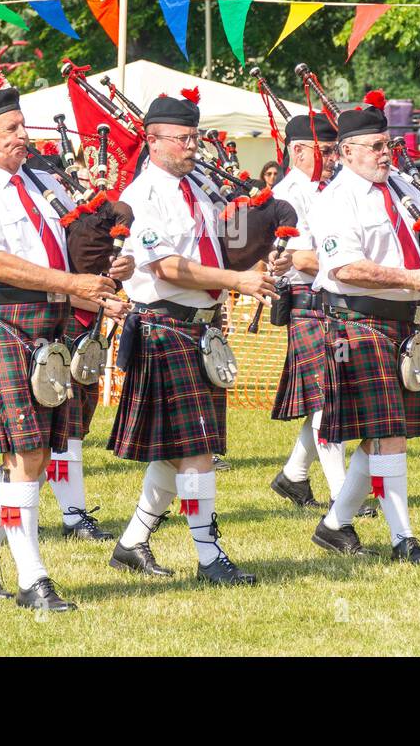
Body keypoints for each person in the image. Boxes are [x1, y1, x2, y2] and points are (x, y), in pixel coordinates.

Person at [0, 81, 132, 612]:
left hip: (47, 321)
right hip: (0, 318)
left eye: (23, 125)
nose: (23, 136)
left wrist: (109, 269)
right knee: (25, 450)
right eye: (12, 128)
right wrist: (75, 286)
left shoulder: (43, 182)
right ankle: (33, 579)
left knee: (31, 451)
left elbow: (77, 246)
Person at [108, 88, 281, 586]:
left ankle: (132, 543)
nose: (192, 146)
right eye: (183, 138)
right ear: (153, 140)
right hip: (164, 324)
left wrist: (263, 258)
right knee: (198, 447)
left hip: (199, 328)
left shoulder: (201, 187)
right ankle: (209, 556)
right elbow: (165, 265)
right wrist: (237, 282)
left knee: (177, 447)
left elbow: (222, 247)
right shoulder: (142, 196)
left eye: (195, 136)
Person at [309, 98, 420, 562]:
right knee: (389, 432)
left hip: (403, 323)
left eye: (389, 144)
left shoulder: (402, 186)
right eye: (376, 146)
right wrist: (410, 279)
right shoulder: (336, 200)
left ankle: (335, 526)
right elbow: (344, 268)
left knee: (384, 429)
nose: (386, 154)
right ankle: (403, 539)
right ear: (346, 152)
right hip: (358, 319)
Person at [268, 114, 351, 511]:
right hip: (308, 300)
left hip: (333, 299)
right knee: (326, 398)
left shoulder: (328, 188)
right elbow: (299, 256)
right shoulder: (289, 194)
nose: (334, 158)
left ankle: (293, 477)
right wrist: (354, 264)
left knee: (327, 393)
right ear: (298, 150)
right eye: (328, 150)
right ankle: (342, 494)